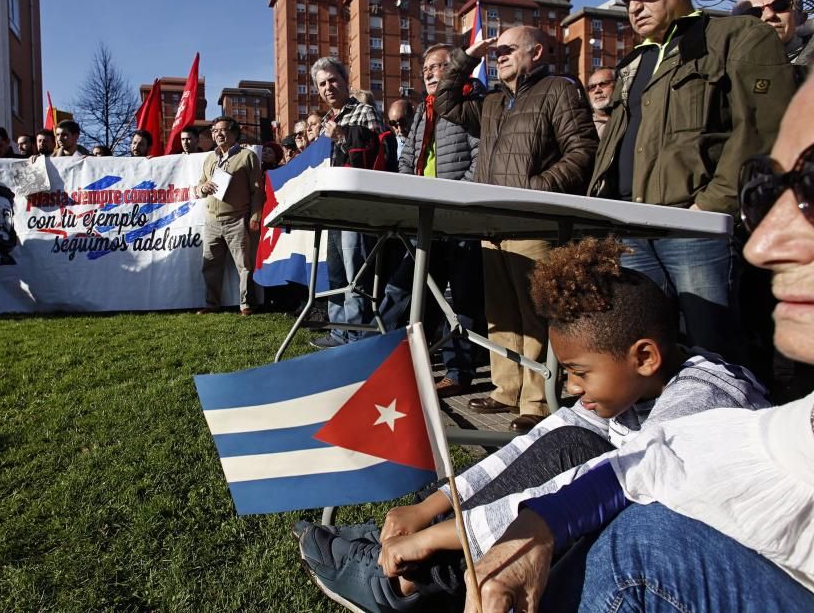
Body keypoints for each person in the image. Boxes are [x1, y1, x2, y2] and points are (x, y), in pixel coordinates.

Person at [466, 74, 814, 613]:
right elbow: (657, 461)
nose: (761, 244)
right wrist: (529, 521)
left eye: (812, 186)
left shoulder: (703, 395)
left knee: (645, 542)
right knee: (576, 450)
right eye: (763, 190)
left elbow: (660, 456)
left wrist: (464, 531)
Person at [297, 237, 769, 613]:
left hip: (702, 572)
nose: (574, 387)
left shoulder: (702, 400)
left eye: (580, 373)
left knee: (575, 453)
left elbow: (599, 484)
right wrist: (432, 507)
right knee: (564, 437)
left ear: (644, 356)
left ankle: (403, 581)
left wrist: (437, 538)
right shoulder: (634, 384)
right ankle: (414, 558)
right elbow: (540, 439)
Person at [589, 0, 796, 365]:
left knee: (713, 348)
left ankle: (727, 426)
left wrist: (712, 205)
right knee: (646, 352)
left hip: (694, 225)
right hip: (631, 225)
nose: (633, 6)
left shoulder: (734, 36)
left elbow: (762, 130)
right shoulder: (634, 61)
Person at [437, 25, 599, 433]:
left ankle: (537, 399)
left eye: (510, 48)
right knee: (501, 313)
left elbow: (582, 150)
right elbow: (445, 102)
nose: (500, 54)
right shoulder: (491, 101)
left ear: (537, 52)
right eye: (498, 50)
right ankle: (504, 390)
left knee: (533, 313)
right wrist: (468, 56)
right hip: (493, 222)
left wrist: (538, 190)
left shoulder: (560, 89)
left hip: (532, 220)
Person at [378, 43, 484, 396]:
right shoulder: (424, 111)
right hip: (426, 218)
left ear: (457, 69)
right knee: (405, 289)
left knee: (460, 299)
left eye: (438, 66)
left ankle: (458, 372)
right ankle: (385, 359)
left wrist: (454, 202)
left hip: (459, 217)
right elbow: (407, 159)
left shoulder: (471, 105)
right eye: (426, 67)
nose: (429, 72)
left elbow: (480, 160)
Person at [308, 55, 384, 349]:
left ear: (344, 80)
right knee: (337, 273)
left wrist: (341, 137)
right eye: (322, 84)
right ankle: (338, 331)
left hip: (356, 209)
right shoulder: (325, 120)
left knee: (356, 274)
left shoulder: (364, 111)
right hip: (332, 209)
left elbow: (380, 153)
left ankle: (357, 336)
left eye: (332, 80)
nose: (328, 87)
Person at [195, 116, 264, 316]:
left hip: (237, 219)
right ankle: (211, 304)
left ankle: (246, 304)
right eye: (215, 131)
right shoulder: (209, 158)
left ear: (234, 133)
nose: (218, 134)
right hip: (211, 221)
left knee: (244, 265)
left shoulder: (247, 156)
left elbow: (257, 191)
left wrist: (255, 216)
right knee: (210, 265)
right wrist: (202, 188)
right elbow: (199, 186)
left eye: (223, 130)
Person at [733, 0, 813, 69]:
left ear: (800, 18)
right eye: (754, 13)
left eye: (780, 5)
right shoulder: (727, 71)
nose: (769, 15)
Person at [585, 67, 616, 138]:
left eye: (603, 84)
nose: (597, 90)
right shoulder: (583, 125)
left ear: (617, 85)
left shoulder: (629, 119)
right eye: (592, 87)